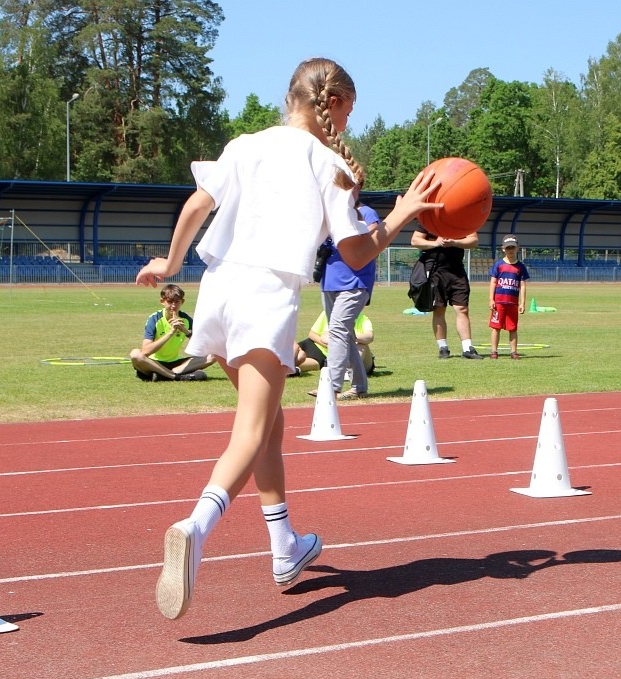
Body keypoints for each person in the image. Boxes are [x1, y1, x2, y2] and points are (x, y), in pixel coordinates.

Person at [134, 57, 439, 620]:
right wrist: (400, 216)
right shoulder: (328, 163)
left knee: (270, 424)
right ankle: (195, 528)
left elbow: (198, 203)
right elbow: (356, 252)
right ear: (337, 105)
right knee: (250, 432)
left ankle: (284, 549)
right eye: (350, 110)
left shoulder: (246, 143)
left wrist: (170, 260)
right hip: (266, 296)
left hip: (218, 289)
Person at [317, 192, 379, 399]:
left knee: (337, 330)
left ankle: (332, 386)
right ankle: (359, 387)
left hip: (355, 281)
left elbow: (374, 239)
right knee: (344, 335)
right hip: (329, 280)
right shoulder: (331, 212)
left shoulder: (365, 212)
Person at [411, 223, 483, 359]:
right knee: (439, 309)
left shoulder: (461, 219)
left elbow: (473, 240)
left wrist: (455, 242)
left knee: (462, 309)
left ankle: (467, 348)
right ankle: (443, 348)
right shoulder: (430, 219)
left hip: (457, 271)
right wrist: (436, 243)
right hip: (435, 271)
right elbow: (415, 240)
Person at [129, 284, 218, 381]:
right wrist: (171, 332)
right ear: (162, 302)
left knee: (215, 355)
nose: (173, 306)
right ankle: (175, 376)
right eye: (170, 302)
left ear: (182, 302)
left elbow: (203, 346)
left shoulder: (186, 320)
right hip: (154, 363)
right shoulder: (154, 319)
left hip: (175, 363)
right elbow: (146, 351)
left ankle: (163, 375)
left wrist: (184, 331)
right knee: (135, 354)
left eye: (177, 302)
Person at [293, 310, 375, 379]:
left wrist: (348, 338)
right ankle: (287, 369)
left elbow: (370, 337)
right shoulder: (327, 313)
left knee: (306, 363)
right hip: (314, 345)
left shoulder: (363, 319)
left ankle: (348, 371)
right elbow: (312, 334)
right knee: (294, 351)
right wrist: (331, 346)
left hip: (325, 356)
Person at [488, 235, 530, 359]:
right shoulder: (499, 265)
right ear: (503, 249)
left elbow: (522, 285)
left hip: (513, 303)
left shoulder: (520, 267)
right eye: (508, 248)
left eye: (512, 247)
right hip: (499, 302)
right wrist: (491, 299)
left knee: (512, 328)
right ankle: (494, 351)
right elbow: (493, 282)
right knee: (496, 327)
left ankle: (513, 351)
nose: (510, 250)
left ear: (517, 248)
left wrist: (522, 303)